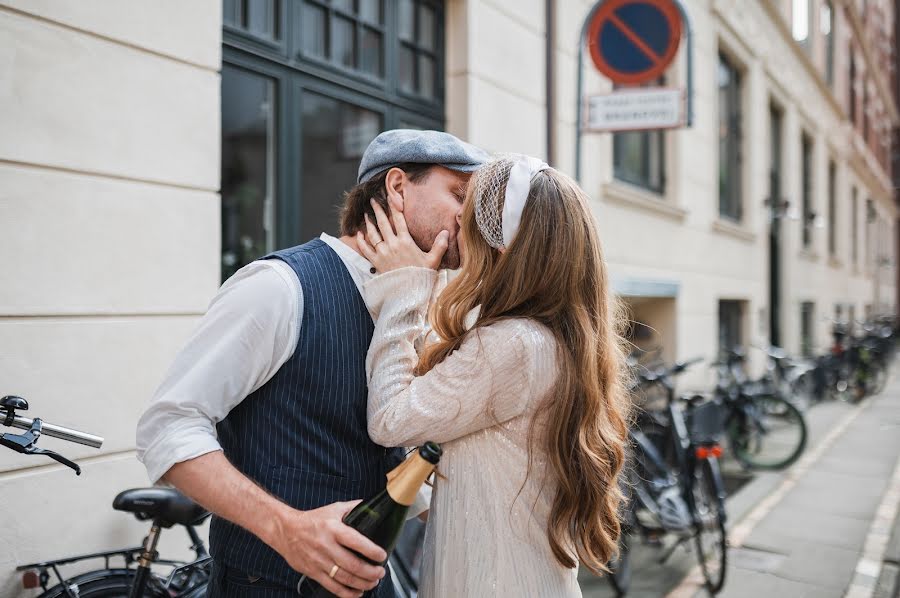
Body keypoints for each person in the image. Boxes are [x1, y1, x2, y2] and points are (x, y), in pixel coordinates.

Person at [135, 130, 488, 598]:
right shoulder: (278, 286)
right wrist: (288, 529)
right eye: (459, 194)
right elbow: (167, 427)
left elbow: (385, 447)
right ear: (398, 187)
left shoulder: (415, 301)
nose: (474, 216)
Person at [356, 154, 631, 597]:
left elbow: (390, 419)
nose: (455, 234)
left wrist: (404, 291)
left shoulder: (511, 345)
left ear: (501, 248)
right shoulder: (549, 338)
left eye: (466, 221)